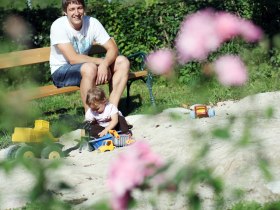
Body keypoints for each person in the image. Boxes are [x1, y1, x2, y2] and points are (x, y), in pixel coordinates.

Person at [49, 0, 130, 113]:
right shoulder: (58, 26)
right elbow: (73, 59)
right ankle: (91, 118)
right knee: (90, 68)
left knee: (123, 62)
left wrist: (105, 63)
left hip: (86, 67)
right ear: (65, 12)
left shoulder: (92, 23)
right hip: (61, 71)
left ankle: (111, 112)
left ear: (84, 9)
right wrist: (101, 62)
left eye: (79, 8)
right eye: (72, 9)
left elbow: (113, 48)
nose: (76, 12)